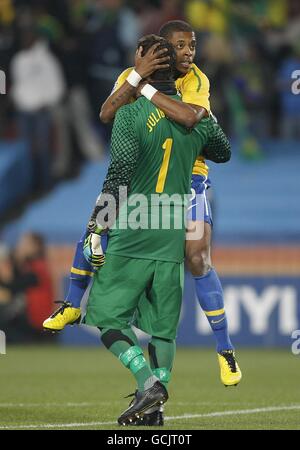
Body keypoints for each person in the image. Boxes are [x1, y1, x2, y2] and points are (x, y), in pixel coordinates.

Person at [43, 21, 241, 390]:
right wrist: (136, 76)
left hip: (191, 180)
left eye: (192, 46)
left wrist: (144, 87)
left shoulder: (197, 81)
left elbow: (190, 118)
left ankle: (224, 348)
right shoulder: (131, 75)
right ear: (160, 50)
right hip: (140, 181)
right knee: (95, 225)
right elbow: (106, 113)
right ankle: (71, 302)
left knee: (197, 255)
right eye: (181, 46)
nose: (189, 53)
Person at [81, 35, 231, 426]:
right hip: (173, 229)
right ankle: (156, 413)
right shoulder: (198, 118)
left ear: (144, 64)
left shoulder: (130, 114)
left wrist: (98, 227)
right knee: (163, 328)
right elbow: (224, 151)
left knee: (107, 317)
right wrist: (202, 120)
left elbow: (118, 176)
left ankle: (147, 384)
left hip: (136, 226)